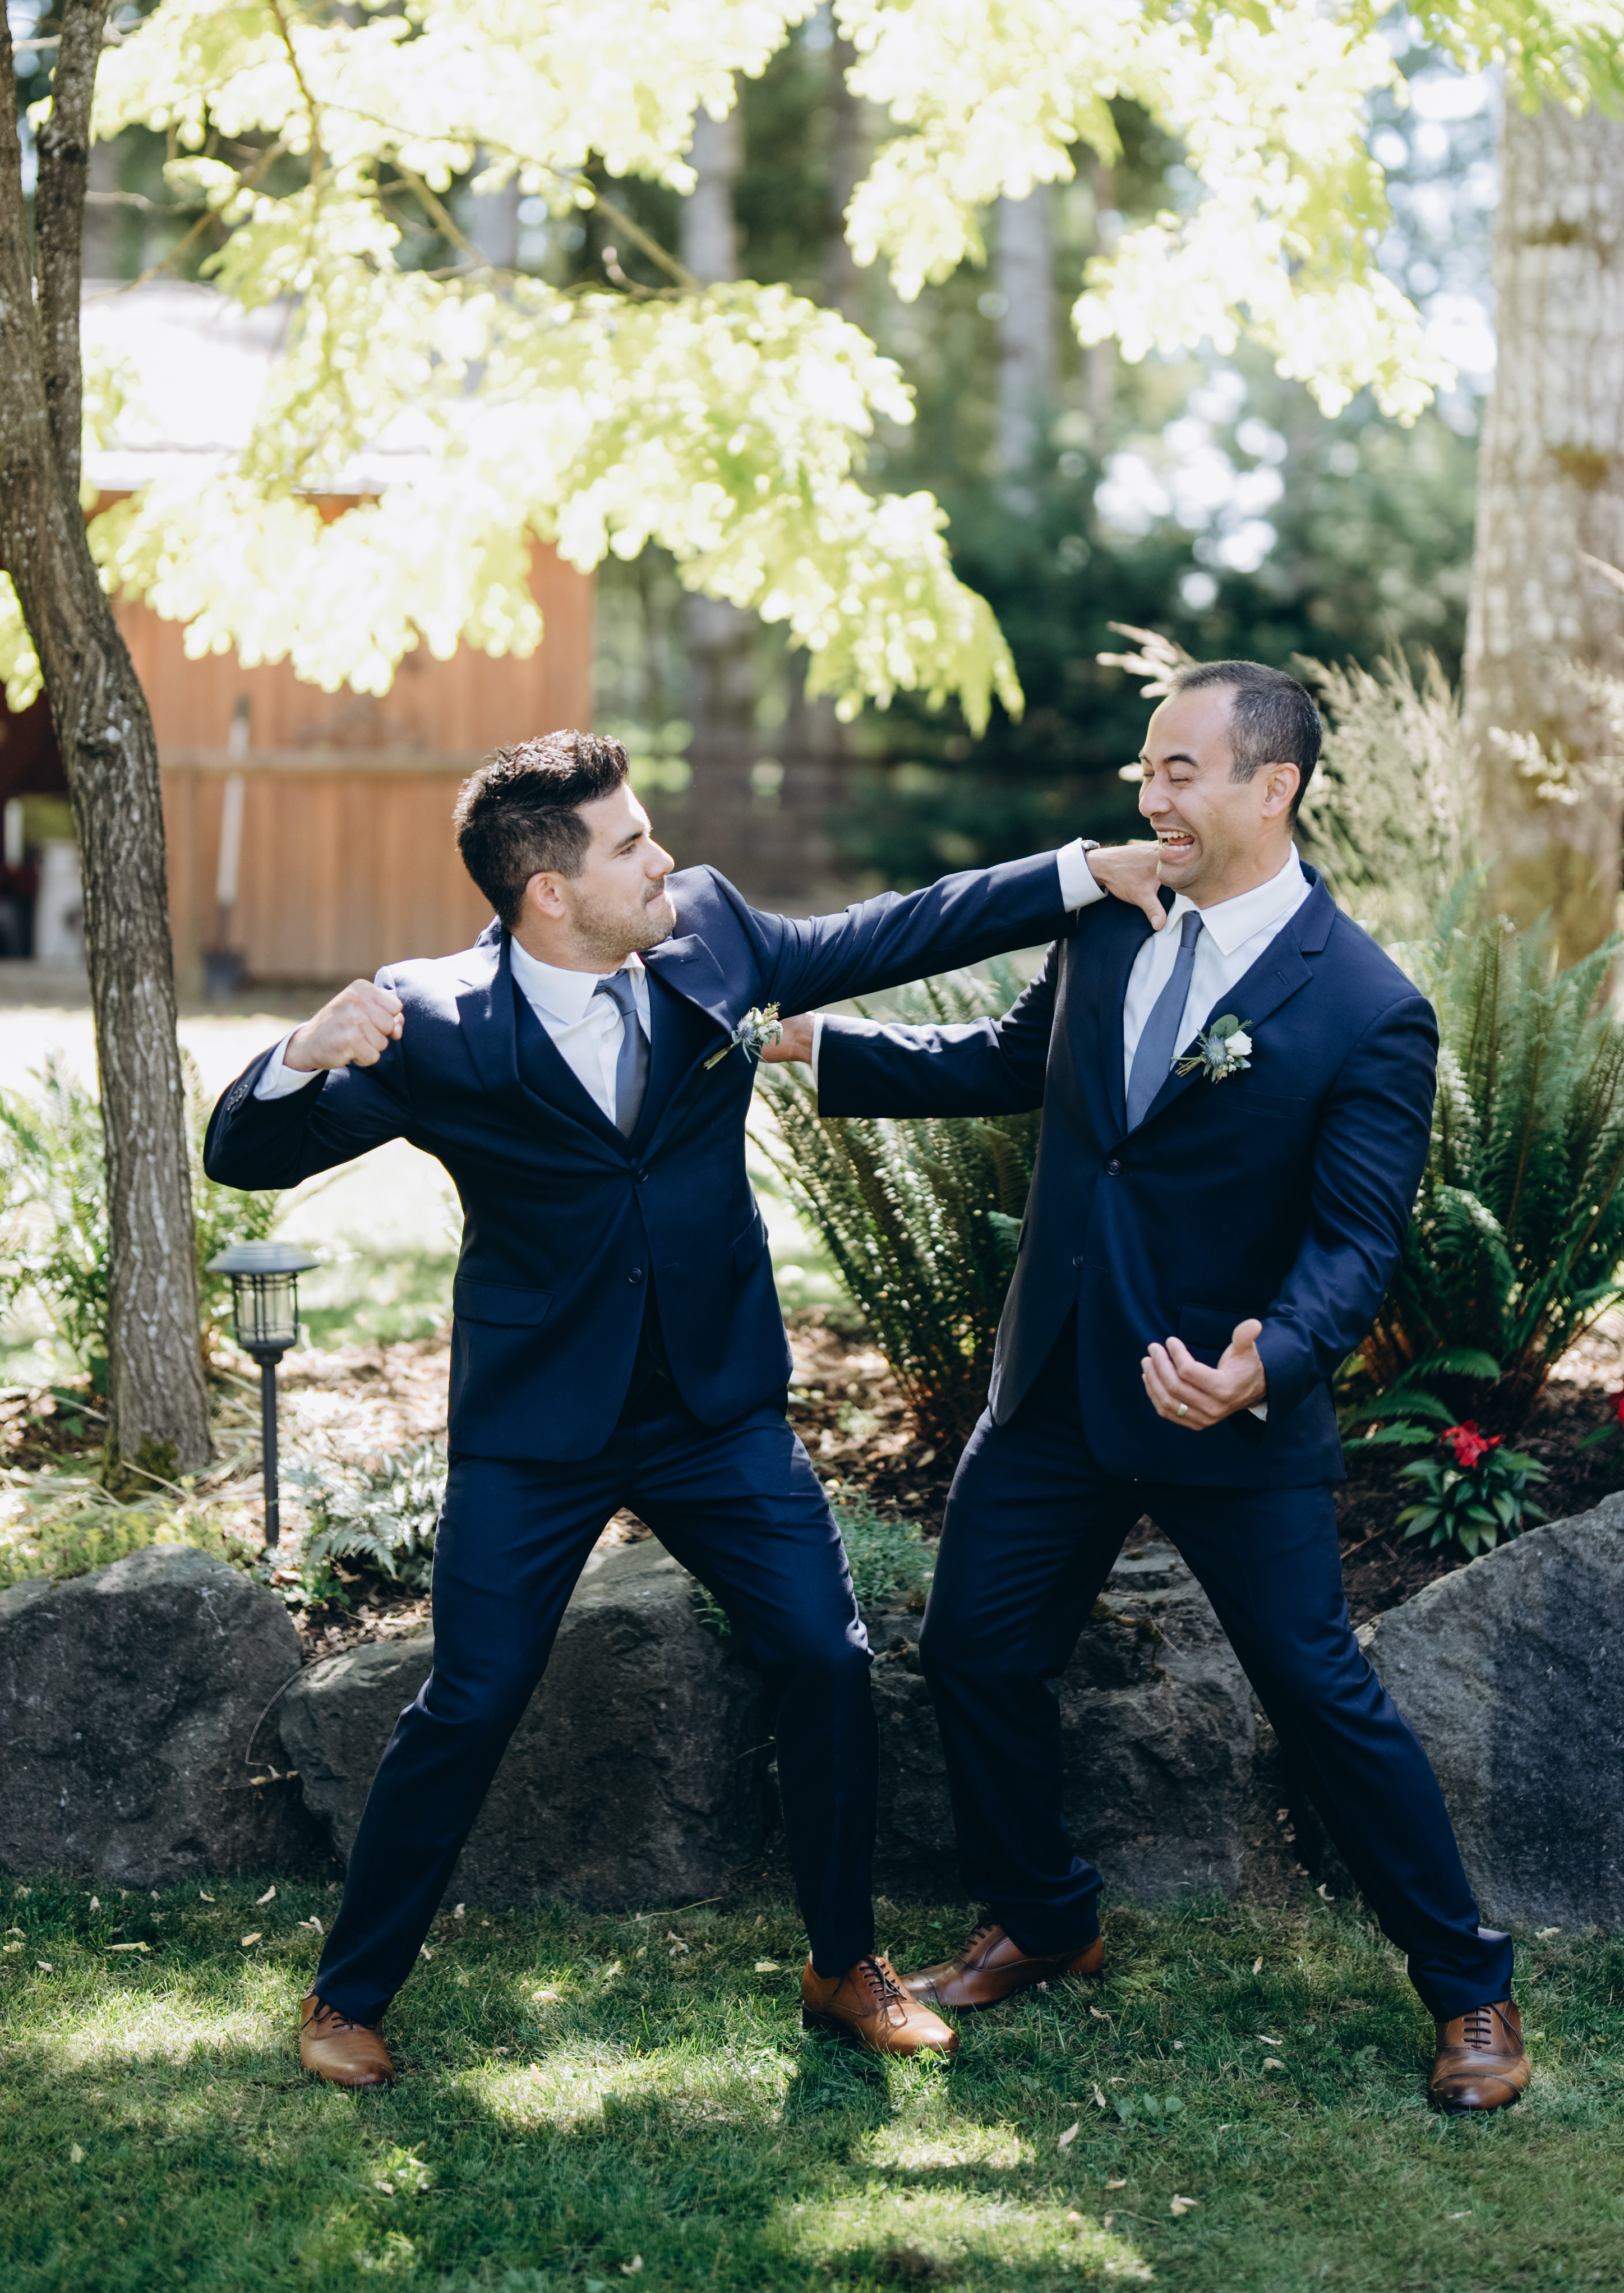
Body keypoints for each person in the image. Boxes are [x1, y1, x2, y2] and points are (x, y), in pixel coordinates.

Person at [205, 728, 1165, 2087]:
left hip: (716, 1409)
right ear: (549, 891)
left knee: (824, 1656)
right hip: (537, 1427)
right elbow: (243, 1155)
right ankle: (348, 1994)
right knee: (470, 1699)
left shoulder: (710, 937)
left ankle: (843, 1964)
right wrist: (303, 1053)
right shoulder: (435, 1022)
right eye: (630, 844)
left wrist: (1078, 873)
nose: (663, 858)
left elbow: (891, 931)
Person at [760, 662, 1528, 2115]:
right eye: (1144, 767)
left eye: (1178, 769)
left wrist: (1266, 1362)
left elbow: (1354, 1245)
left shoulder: (1367, 1006)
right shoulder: (1107, 918)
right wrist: (825, 1044)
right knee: (975, 1653)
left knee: (1319, 1696)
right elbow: (1011, 1061)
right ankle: (1046, 1918)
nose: (1147, 794)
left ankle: (1466, 1986)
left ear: (1271, 787)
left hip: (1221, 1406)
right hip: (1055, 1381)